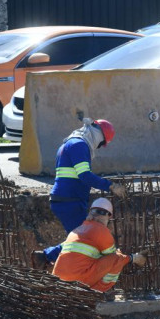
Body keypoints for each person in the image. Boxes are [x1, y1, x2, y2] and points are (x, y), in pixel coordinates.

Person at [31, 118, 127, 269]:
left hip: (67, 199)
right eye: (102, 143)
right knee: (84, 239)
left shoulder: (69, 143)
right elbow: (85, 175)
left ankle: (45, 257)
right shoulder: (79, 145)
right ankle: (46, 257)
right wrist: (111, 186)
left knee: (81, 238)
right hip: (69, 201)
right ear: (99, 135)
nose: (99, 147)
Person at [52, 198, 146, 292]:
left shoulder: (76, 230)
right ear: (109, 216)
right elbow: (115, 258)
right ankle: (97, 291)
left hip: (58, 281)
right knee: (116, 258)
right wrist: (133, 258)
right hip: (77, 282)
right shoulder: (101, 231)